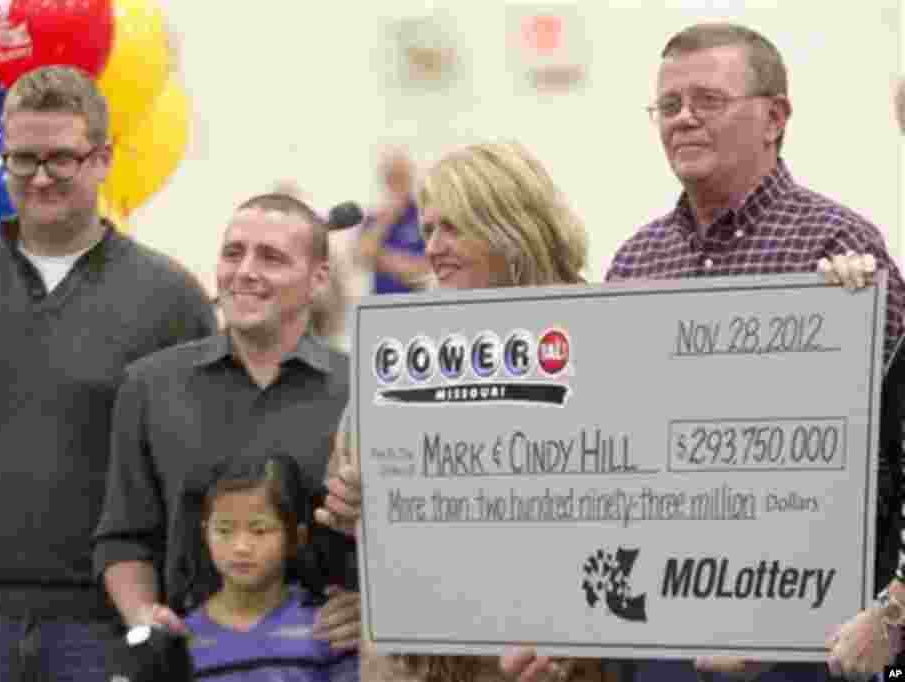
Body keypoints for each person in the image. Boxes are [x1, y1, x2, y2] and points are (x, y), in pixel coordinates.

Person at [497, 21, 905, 682]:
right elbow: (603, 453)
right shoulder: (636, 260)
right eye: (668, 105)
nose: (682, 119)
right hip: (658, 631)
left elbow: (887, 460)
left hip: (800, 639)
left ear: (775, 117)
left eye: (707, 101)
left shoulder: (839, 250)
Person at [0, 65, 218, 682]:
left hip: (107, 627)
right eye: (23, 159)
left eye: (61, 159)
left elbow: (205, 473)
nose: (40, 178)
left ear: (103, 159)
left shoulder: (173, 300)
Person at [319, 140, 607, 682]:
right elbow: (352, 490)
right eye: (427, 231)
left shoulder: (598, 333)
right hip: (418, 660)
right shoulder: (406, 352)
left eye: (453, 228)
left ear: (509, 225)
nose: (434, 248)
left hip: (553, 654)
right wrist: (353, 504)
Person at [92, 193, 361, 662]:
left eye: (271, 257)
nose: (245, 271)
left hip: (329, 665)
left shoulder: (362, 393)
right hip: (195, 661)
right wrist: (143, 616)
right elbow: (123, 537)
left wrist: (374, 610)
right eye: (233, 253)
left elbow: (403, 539)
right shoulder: (149, 387)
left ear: (319, 279)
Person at [169, 451, 358, 681]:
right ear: (205, 534)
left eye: (259, 530)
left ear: (296, 538)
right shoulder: (184, 640)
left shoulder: (328, 628)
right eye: (224, 530)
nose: (241, 547)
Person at [354, 149, 429, 293]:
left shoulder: (424, 215)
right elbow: (362, 254)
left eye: (401, 177)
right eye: (392, 177)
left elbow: (430, 265)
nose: (397, 184)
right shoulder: (375, 218)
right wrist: (390, 215)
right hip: (382, 301)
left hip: (419, 298)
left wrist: (381, 258)